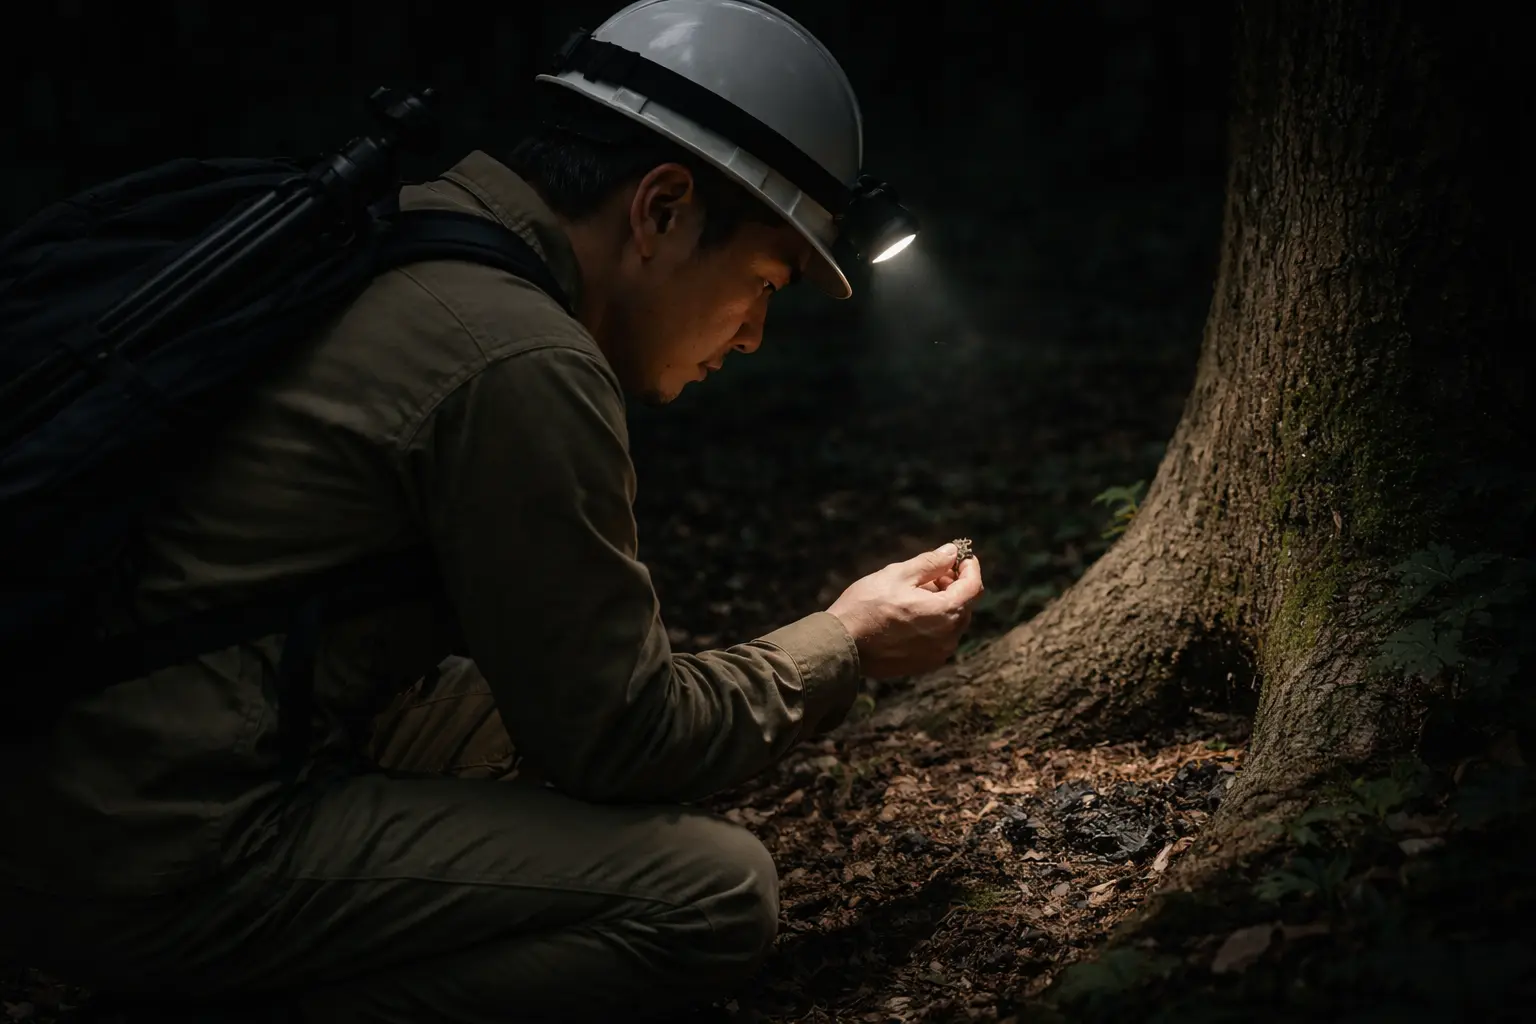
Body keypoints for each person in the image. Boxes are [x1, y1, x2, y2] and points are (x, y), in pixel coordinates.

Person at [0, 2, 983, 1021]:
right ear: (661, 208)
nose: (752, 336)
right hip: (161, 837)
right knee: (710, 896)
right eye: (763, 283)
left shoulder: (414, 231)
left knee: (505, 720)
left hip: (81, 776)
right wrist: (847, 643)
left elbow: (571, 703)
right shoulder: (519, 356)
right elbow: (628, 738)